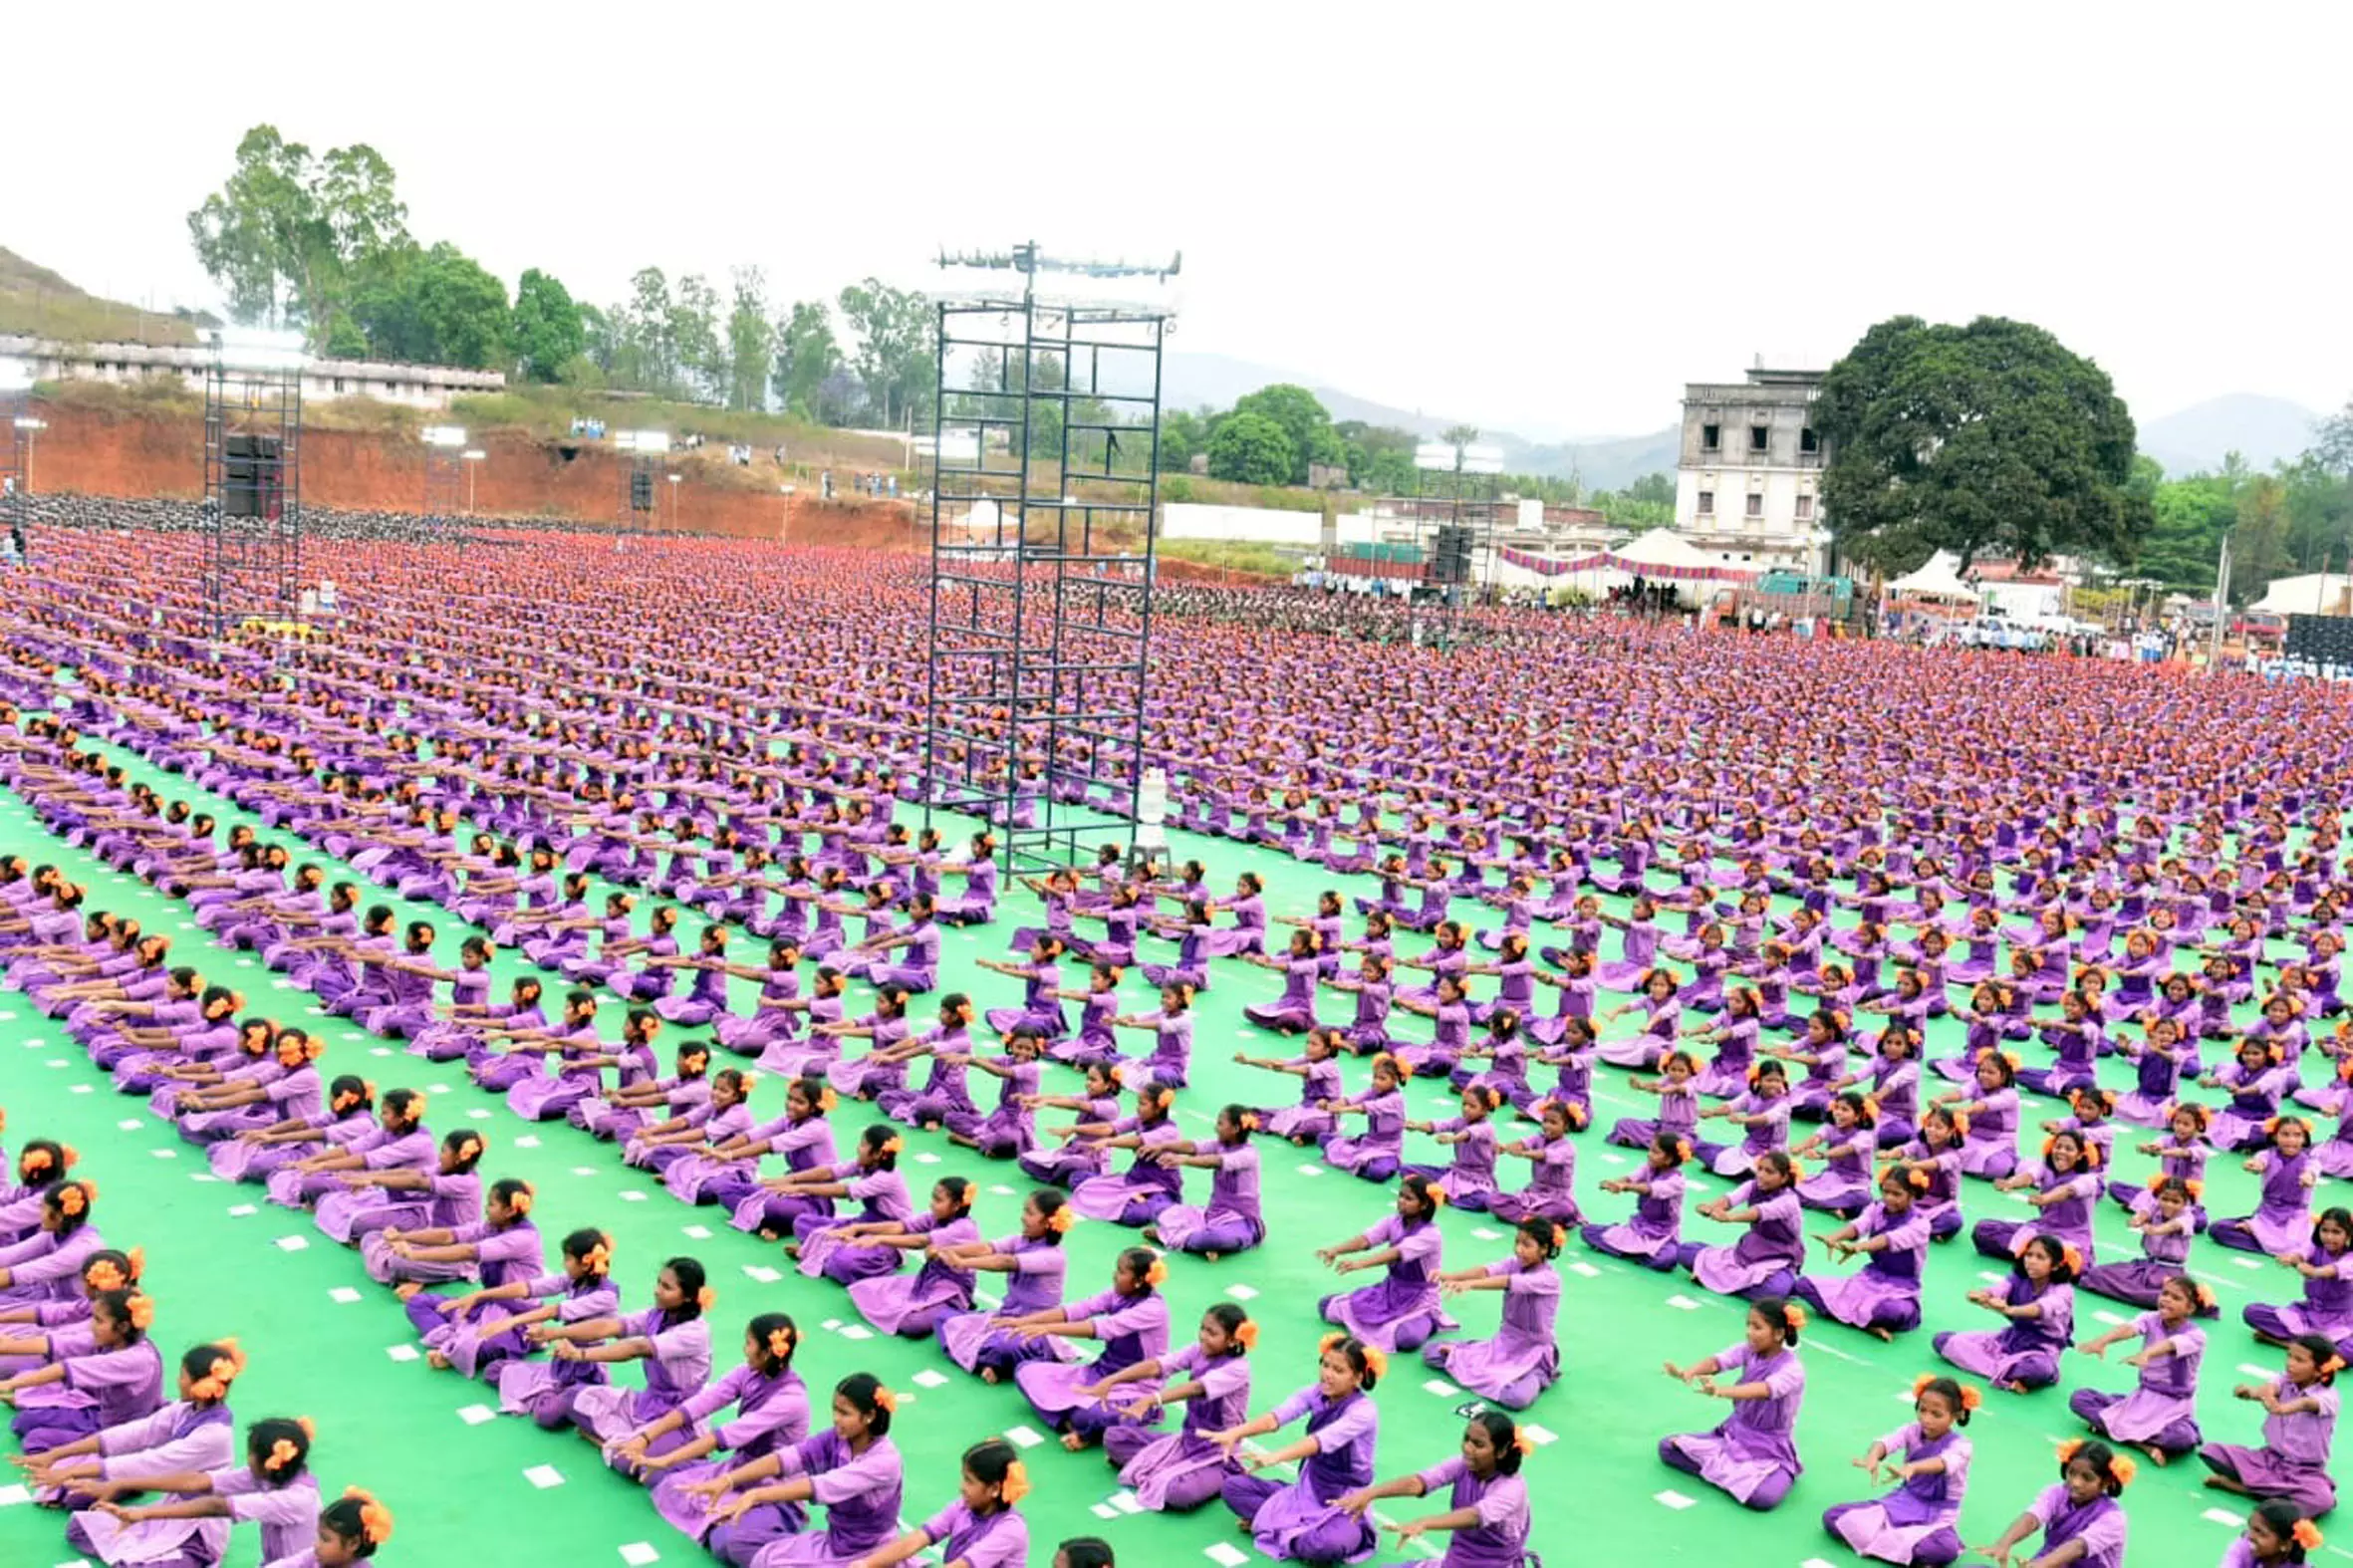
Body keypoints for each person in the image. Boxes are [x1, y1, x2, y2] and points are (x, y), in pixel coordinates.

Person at [676, 1372, 902, 1568]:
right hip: (834, 1544)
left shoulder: (884, 1461)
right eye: (834, 1410)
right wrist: (728, 1480)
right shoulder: (837, 1439)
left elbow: (821, 1485)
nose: (835, 1418)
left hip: (869, 1555)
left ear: (869, 1416)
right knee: (733, 1545)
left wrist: (756, 1495)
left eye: (844, 1413)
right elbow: (786, 1459)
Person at [1212, 1334, 1383, 1564]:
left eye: (1338, 1370)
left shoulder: (1363, 1412)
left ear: (1358, 1377)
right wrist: (1235, 1433)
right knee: (1233, 1488)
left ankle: (1276, 1528)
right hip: (1307, 1491)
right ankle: (1289, 1531)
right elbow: (1276, 1417)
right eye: (1325, 1365)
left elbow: (1320, 1441)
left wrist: (1275, 1457)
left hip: (1345, 1503)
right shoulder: (1315, 1393)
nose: (1327, 1374)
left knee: (1325, 1546)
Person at [1099, 1303, 1256, 1510]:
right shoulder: (1198, 1351)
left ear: (1232, 1340)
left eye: (1212, 1333)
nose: (1203, 1336)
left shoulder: (1238, 1369)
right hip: (1187, 1441)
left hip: (1218, 1453)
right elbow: (1158, 1366)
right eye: (1202, 1328)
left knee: (1178, 1492)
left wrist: (1151, 1399)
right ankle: (1172, 1468)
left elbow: (1197, 1388)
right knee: (1114, 1437)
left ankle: (1224, 1474)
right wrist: (1112, 1380)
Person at [1010, 1247, 1172, 1448]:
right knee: (1025, 1371)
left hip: (1133, 1387)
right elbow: (1078, 1310)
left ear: (1138, 1281)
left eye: (1121, 1272)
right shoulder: (1117, 1295)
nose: (1115, 1275)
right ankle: (1073, 1423)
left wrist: (1047, 1328)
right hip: (1099, 1373)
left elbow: (1101, 1328)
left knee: (1089, 1415)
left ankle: (1082, 1422)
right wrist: (1025, 1321)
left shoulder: (1153, 1309)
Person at [1658, 1296, 1808, 1510]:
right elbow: (1719, 1361)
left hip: (1768, 1447)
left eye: (1757, 1327)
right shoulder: (1749, 1350)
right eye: (1748, 1325)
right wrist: (1689, 1372)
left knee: (1762, 1497)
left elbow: (1764, 1390)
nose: (1749, 1332)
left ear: (1778, 1333)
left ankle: (1761, 1473)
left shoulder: (1792, 1370)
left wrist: (1720, 1391)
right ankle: (1732, 1476)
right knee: (1667, 1447)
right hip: (1733, 1434)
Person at [1338, 1408, 1533, 1567]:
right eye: (1466, 1439)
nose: (1468, 1448)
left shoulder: (1512, 1489)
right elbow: (1420, 1482)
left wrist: (1424, 1523)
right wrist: (1370, 1493)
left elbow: (1475, 1516)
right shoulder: (1463, 1465)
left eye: (1478, 1445)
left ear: (1501, 1451)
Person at [1820, 1374, 1976, 1566]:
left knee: (1943, 1549)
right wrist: (1873, 1457)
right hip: (1901, 1503)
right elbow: (1886, 1442)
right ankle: (1895, 1548)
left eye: (1936, 1414)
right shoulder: (1912, 1430)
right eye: (1922, 1410)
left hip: (1937, 1514)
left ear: (1955, 1416)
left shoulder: (1962, 1445)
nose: (1926, 1419)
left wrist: (1913, 1467)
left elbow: (1944, 1462)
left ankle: (1880, 1542)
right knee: (1834, 1516)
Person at [2069, 1271, 2210, 1463]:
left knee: (2182, 1438)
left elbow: (2171, 1344)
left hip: (2173, 1407)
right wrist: (2102, 1341)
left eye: (2176, 1298)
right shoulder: (2151, 1318)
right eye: (2165, 1294)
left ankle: (2112, 1429)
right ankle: (2141, 1443)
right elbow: (2129, 1328)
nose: (2166, 1300)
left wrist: (2147, 1354)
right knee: (2080, 1398)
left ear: (2190, 1308)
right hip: (2142, 1399)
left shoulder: (2197, 1336)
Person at [1422, 1217, 1561, 1409]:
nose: (1519, 1249)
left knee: (1516, 1398)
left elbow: (1508, 1282)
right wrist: (1451, 1276)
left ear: (1544, 1249)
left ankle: (1538, 1374)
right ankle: (1472, 1357)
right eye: (1517, 1242)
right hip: (1504, 1344)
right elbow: (1486, 1271)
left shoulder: (1549, 1278)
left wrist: (1470, 1285)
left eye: (1526, 1245)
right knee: (1431, 1353)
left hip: (1533, 1351)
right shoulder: (1514, 1263)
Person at [2197, 1334, 2340, 1518]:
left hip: (2304, 1471)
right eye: (2289, 1356)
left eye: (2299, 1360)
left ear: (2319, 1371)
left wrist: (2281, 1408)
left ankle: (2245, 1489)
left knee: (2321, 1500)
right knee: (2212, 1452)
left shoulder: (2329, 1397)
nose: (2290, 1363)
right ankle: (2274, 1494)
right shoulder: (2285, 1379)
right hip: (2268, 1458)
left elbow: (2305, 1403)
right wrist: (2251, 1392)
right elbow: (2269, 1388)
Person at [1316, 1176, 1453, 1353]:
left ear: (1424, 1205)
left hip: (1419, 1299)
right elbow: (1366, 1240)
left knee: (1406, 1338)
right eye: (1401, 1195)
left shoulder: (1431, 1235)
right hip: (1390, 1291)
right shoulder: (1393, 1222)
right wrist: (1336, 1250)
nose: (1401, 1201)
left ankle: (1430, 1320)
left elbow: (1397, 1253)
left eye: (1409, 1198)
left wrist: (1360, 1264)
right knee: (1326, 1306)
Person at [850, 1437, 1029, 1568]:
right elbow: (917, 1540)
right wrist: (866, 1564)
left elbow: (962, 1566)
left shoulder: (1010, 1529)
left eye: (969, 1481)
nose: (962, 1487)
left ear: (994, 1489)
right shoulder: (962, 1507)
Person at [1970, 1438, 2131, 1568]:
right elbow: (2032, 1518)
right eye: (2071, 1472)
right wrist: (2003, 1544)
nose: (2075, 1483)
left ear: (2106, 1482)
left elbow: (2079, 1546)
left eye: (2087, 1478)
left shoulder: (2113, 1518)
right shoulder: (2057, 1493)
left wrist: (2041, 1564)